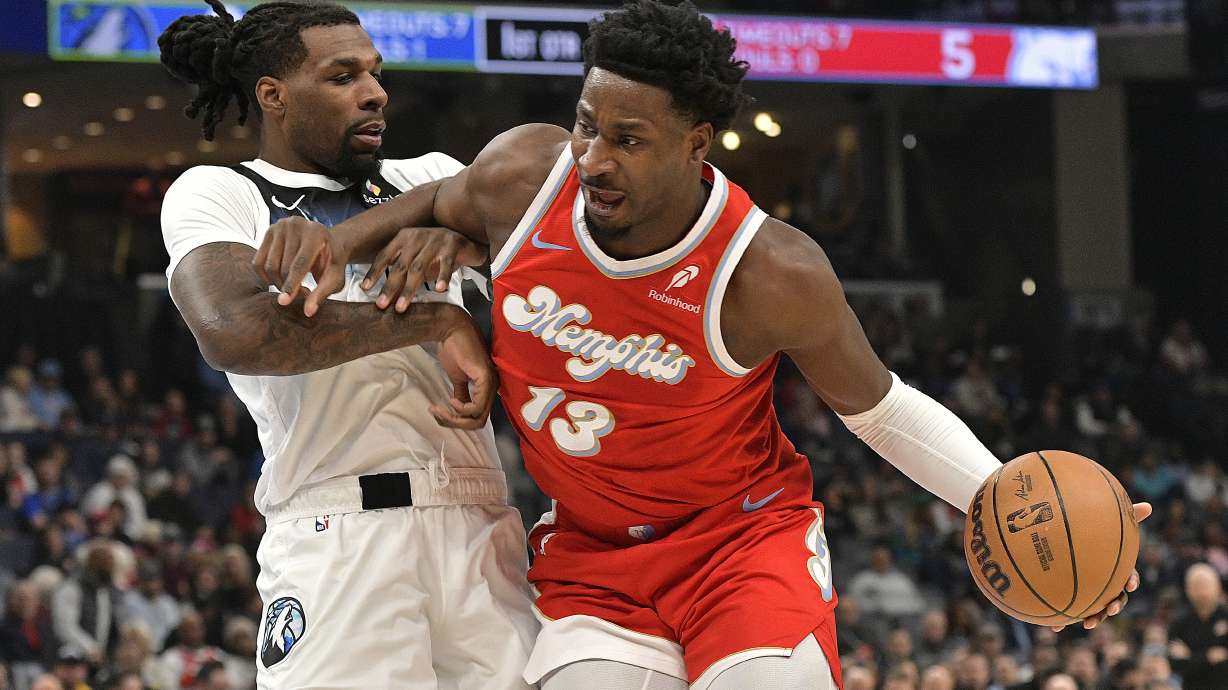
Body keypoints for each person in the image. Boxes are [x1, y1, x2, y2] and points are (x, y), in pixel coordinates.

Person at [258, 1, 1149, 688]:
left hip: (739, 546)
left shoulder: (769, 271)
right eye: (587, 123)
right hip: (594, 558)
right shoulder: (528, 175)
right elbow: (416, 211)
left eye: (628, 139)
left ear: (697, 143)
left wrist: (1006, 496)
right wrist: (331, 245)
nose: (594, 157)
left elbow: (883, 412)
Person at [155, 1, 536, 688]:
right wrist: (434, 321)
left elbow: (550, 185)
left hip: (482, 521)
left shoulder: (429, 177)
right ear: (273, 96)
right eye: (342, 76)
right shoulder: (222, 192)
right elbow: (235, 333)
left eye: (374, 73)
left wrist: (468, 236)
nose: (375, 92)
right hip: (340, 529)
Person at [1167, 563, 1228, 690]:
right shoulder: (1179, 622)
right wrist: (1208, 657)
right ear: (1187, 589)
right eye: (1196, 586)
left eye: (1205, 585)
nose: (1201, 591)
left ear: (1218, 587)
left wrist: (1191, 656)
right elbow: (1176, 664)